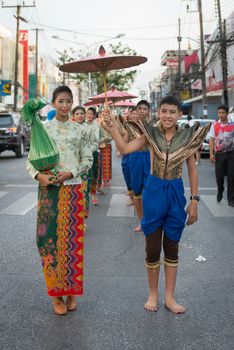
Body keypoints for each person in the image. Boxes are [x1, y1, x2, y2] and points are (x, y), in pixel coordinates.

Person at [101, 95, 210, 314]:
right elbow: (124, 148)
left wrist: (195, 200)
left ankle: (170, 297)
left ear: (179, 114)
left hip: (175, 193)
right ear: (158, 113)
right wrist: (112, 127)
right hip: (153, 191)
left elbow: (192, 168)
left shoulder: (188, 137)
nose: (167, 116)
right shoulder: (150, 134)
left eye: (172, 112)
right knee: (152, 248)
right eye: (164, 111)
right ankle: (153, 294)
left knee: (171, 246)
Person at [27, 86, 93, 315]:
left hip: (73, 191)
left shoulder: (80, 130)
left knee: (72, 245)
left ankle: (71, 292)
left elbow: (87, 159)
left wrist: (71, 173)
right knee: (47, 243)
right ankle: (56, 296)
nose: (65, 105)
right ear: (54, 103)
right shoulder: (43, 130)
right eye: (60, 101)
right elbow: (30, 161)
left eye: (68, 101)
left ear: (72, 103)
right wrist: (39, 176)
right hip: (49, 193)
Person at [125, 100, 151, 232]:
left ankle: (149, 220)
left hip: (149, 158)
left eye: (144, 109)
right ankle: (141, 221)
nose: (142, 111)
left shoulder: (154, 126)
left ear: (148, 112)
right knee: (137, 190)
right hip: (134, 158)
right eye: (139, 108)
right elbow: (124, 142)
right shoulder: (130, 126)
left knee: (149, 190)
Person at [209, 105, 234, 206]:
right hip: (219, 155)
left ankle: (231, 199)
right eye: (219, 113)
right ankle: (220, 190)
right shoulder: (214, 125)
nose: (221, 115)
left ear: (227, 113)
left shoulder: (232, 125)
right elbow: (211, 139)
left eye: (223, 112)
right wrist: (211, 154)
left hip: (231, 154)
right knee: (219, 177)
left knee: (232, 177)